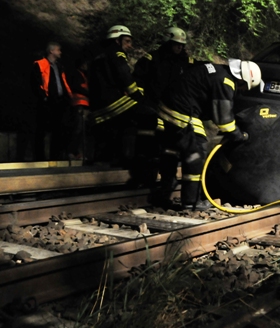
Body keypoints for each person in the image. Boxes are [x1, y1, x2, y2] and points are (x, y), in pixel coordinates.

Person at [154, 58, 262, 211]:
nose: (243, 90)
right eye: (245, 87)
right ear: (242, 79)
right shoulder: (225, 82)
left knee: (171, 151)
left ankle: (164, 192)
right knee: (196, 153)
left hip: (167, 107)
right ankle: (192, 202)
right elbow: (223, 120)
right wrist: (238, 135)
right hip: (182, 113)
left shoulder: (219, 71)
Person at [87, 25, 159, 186]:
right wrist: (138, 96)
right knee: (149, 115)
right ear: (117, 40)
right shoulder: (117, 53)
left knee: (122, 125)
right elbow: (124, 75)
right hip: (114, 103)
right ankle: (144, 157)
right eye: (127, 41)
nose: (129, 45)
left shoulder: (98, 56)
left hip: (98, 107)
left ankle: (114, 157)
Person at [133, 26, 194, 110]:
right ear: (168, 43)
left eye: (182, 45)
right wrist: (142, 100)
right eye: (177, 44)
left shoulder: (183, 61)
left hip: (173, 106)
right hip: (151, 104)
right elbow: (138, 79)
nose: (180, 47)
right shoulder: (152, 59)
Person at [30, 42, 72, 160]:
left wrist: (66, 98)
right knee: (41, 130)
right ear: (51, 51)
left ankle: (55, 157)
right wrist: (43, 96)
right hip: (46, 101)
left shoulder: (59, 66)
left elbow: (63, 83)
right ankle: (40, 158)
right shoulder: (39, 64)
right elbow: (35, 83)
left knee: (58, 129)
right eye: (58, 50)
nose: (60, 52)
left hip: (59, 102)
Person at [66, 58, 90, 161]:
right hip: (78, 104)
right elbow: (77, 87)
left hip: (83, 104)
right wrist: (88, 92)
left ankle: (76, 152)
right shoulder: (76, 74)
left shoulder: (83, 75)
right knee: (78, 129)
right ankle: (71, 151)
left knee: (81, 130)